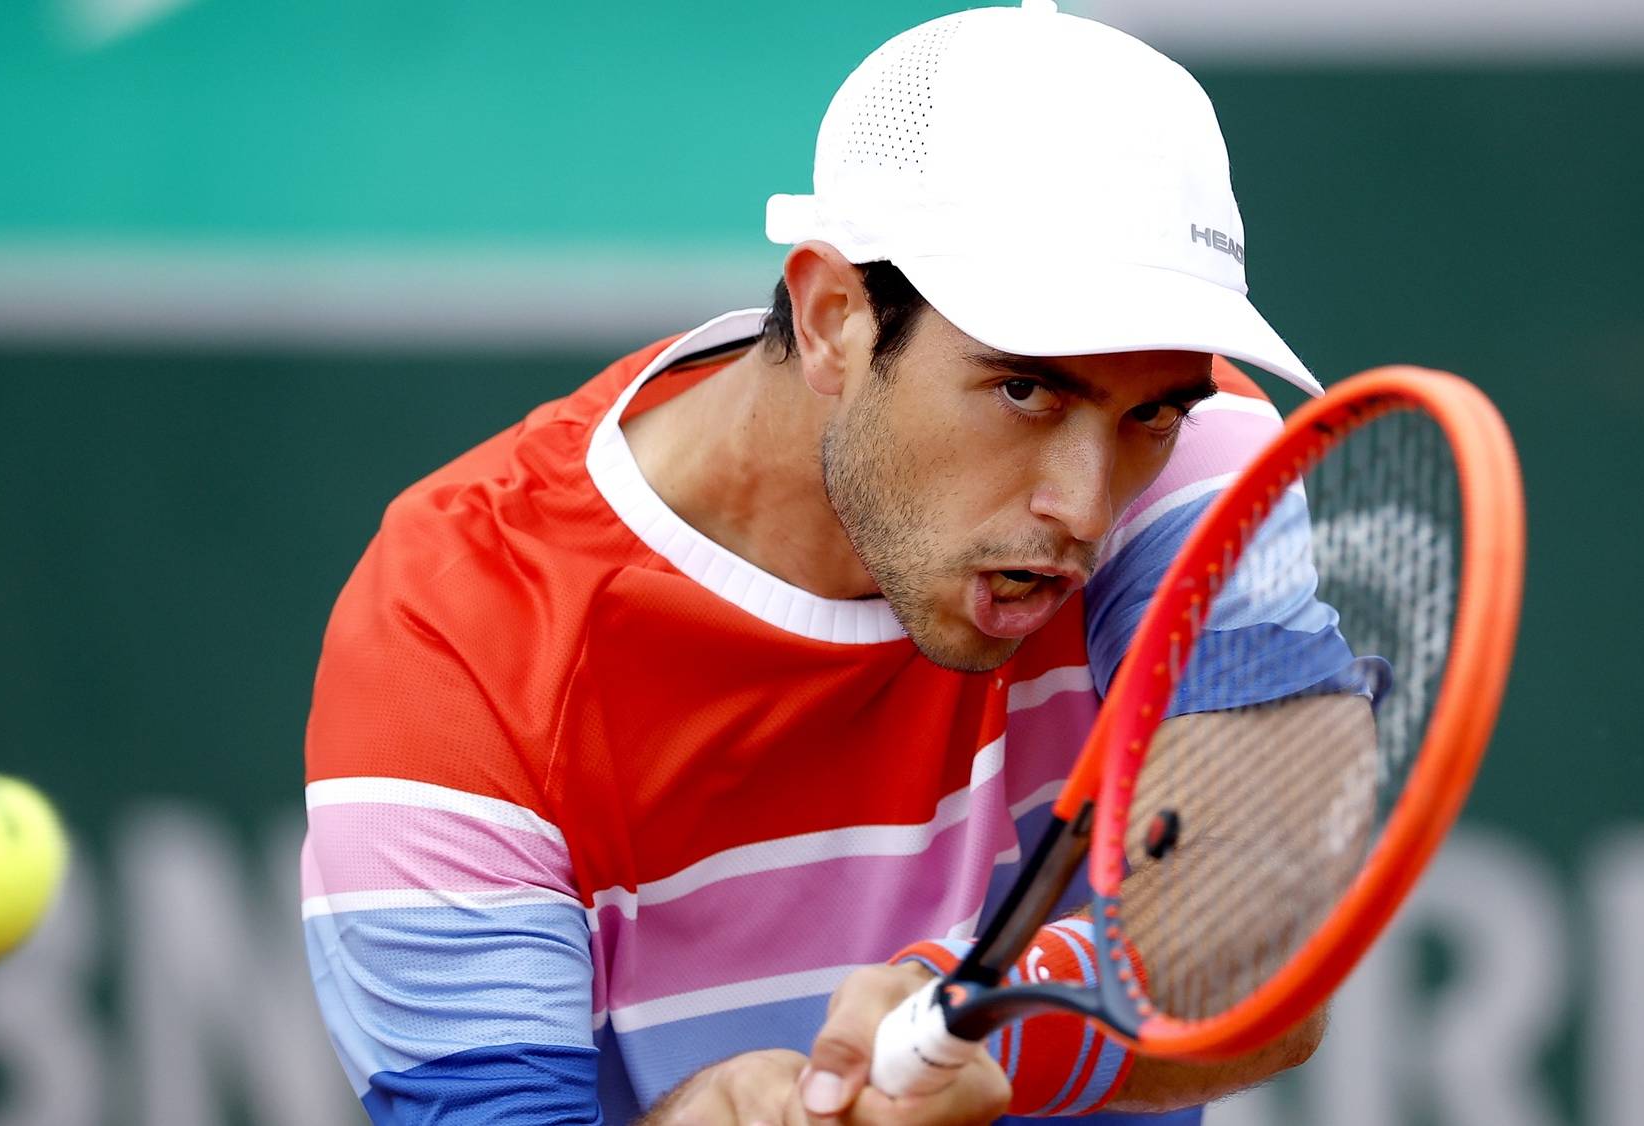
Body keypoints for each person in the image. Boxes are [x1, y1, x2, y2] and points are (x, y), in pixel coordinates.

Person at [302, 3, 1349, 1122]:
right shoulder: (453, 632)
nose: (1083, 508)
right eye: (1023, 389)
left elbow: (1263, 956)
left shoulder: (1200, 468)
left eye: (1147, 411)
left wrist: (997, 1024)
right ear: (833, 317)